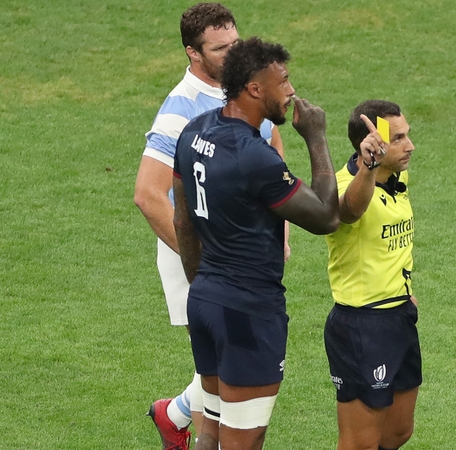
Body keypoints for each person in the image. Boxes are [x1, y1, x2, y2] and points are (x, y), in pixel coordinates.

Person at [133, 3, 289, 448]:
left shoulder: (243, 91)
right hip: (201, 254)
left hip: (242, 252)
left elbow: (270, 141)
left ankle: (173, 414)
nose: (232, 54)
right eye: (219, 49)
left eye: (235, 44)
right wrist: (206, 258)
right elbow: (148, 195)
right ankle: (183, 420)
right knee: (225, 371)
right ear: (193, 54)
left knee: (223, 371)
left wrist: (280, 230)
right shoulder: (180, 109)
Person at [172, 37, 339, 450]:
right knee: (244, 440)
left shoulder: (194, 132)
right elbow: (326, 216)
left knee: (209, 431)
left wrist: (204, 287)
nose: (291, 91)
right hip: (248, 314)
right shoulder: (254, 156)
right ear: (254, 88)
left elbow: (182, 221)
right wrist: (316, 138)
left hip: (207, 300)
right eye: (283, 82)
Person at [323, 100, 421, 450]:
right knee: (359, 442)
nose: (409, 146)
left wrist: (404, 286)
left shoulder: (397, 177)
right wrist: (367, 166)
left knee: (398, 432)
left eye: (407, 135)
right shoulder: (341, 187)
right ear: (371, 144)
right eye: (397, 139)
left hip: (399, 317)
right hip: (361, 327)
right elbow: (350, 211)